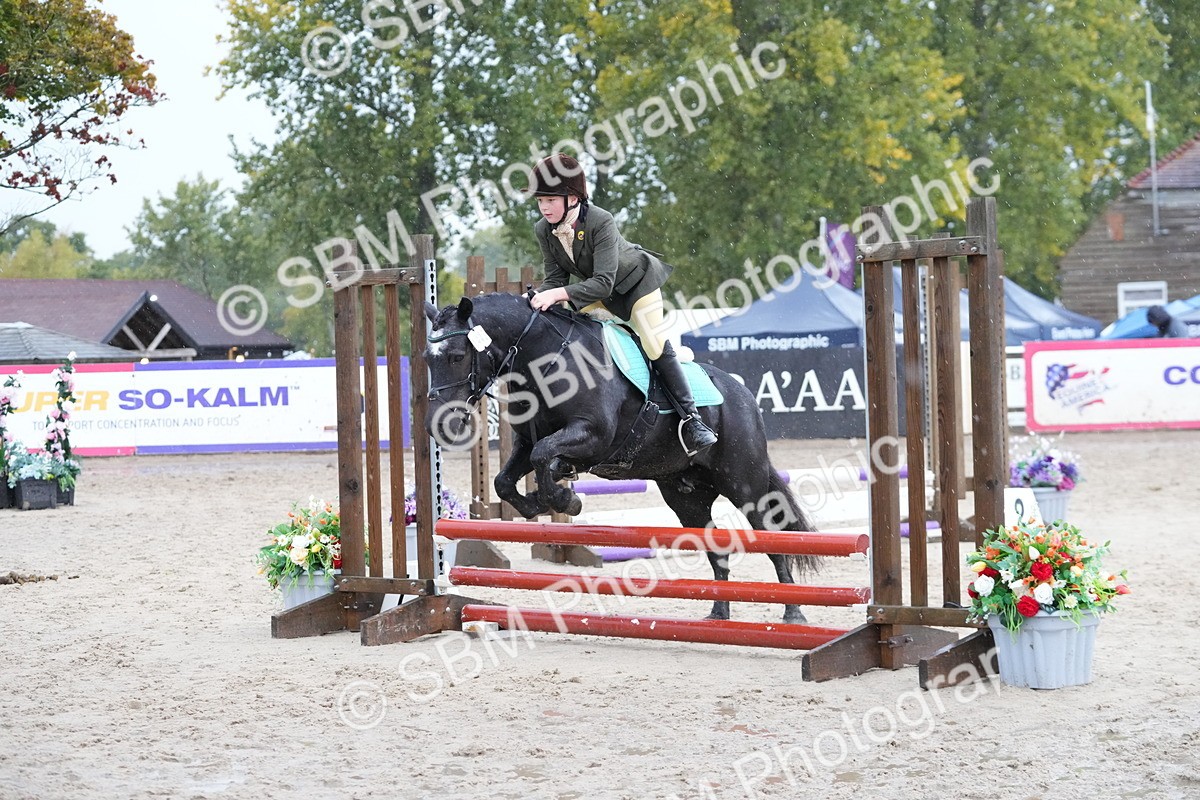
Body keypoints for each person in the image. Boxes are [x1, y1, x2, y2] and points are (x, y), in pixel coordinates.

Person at [525, 153, 718, 456]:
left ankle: (692, 420)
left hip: (636, 287)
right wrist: (535, 299)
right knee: (583, 339)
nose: (544, 207)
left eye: (550, 199)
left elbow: (603, 281)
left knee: (651, 342)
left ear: (572, 198)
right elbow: (555, 279)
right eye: (540, 201)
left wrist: (557, 294)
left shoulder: (600, 220)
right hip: (598, 294)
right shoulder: (543, 229)